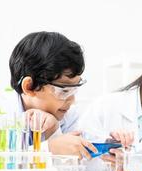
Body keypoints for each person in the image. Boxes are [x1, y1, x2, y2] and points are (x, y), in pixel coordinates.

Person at [6, 31, 97, 159]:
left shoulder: (69, 116)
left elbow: (90, 166)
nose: (72, 100)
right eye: (64, 91)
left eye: (74, 90)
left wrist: (54, 132)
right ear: (29, 87)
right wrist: (48, 149)